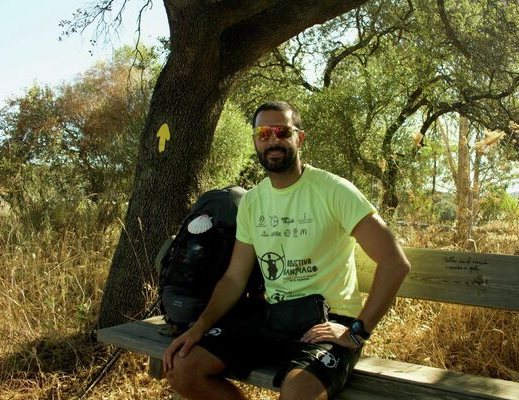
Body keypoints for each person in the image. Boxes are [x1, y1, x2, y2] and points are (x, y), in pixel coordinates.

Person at [163, 101, 410, 400]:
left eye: (281, 131)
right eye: (263, 134)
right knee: (182, 368)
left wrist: (357, 331)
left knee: (298, 394)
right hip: (273, 316)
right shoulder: (253, 202)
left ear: (299, 138)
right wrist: (199, 327)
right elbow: (234, 278)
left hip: (328, 322)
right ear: (255, 141)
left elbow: (395, 263)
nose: (272, 141)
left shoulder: (333, 189)